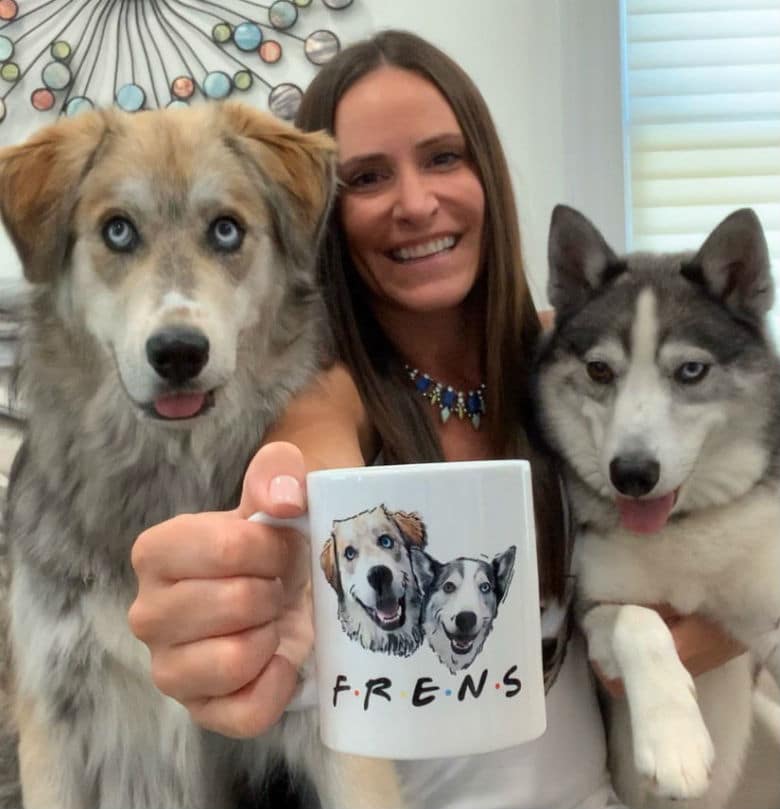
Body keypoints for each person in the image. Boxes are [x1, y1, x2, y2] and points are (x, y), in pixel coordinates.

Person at [129, 30, 744, 809]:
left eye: (444, 158)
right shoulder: (329, 393)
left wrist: (726, 624)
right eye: (367, 176)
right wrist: (265, 560)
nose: (415, 203)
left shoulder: (579, 375)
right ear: (323, 210)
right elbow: (307, 461)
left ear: (487, 171)